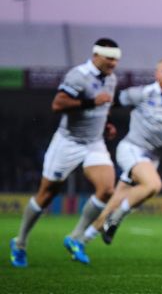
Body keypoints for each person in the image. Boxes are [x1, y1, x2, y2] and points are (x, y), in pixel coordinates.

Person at [9, 38, 121, 267]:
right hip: (68, 142)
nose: (113, 63)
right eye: (109, 58)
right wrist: (90, 102)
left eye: (116, 59)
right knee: (47, 194)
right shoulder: (77, 75)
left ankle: (75, 237)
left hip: (93, 143)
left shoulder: (111, 79)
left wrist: (106, 123)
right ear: (96, 56)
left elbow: (103, 106)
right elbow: (58, 104)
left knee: (107, 189)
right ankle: (19, 243)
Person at [79, 58, 162, 247]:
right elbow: (111, 102)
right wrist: (104, 122)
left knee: (117, 200)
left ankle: (82, 240)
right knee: (154, 184)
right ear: (157, 74)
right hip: (132, 148)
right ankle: (116, 219)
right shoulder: (143, 93)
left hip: (152, 158)